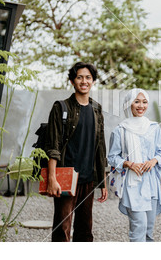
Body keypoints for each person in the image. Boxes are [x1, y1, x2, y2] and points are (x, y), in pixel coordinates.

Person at [45, 62, 107, 242]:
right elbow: (53, 145)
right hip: (66, 178)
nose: (84, 81)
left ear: (93, 81)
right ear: (72, 81)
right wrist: (52, 178)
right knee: (62, 230)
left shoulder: (96, 109)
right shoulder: (61, 107)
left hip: (88, 179)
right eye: (79, 77)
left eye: (88, 77)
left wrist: (102, 182)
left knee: (85, 231)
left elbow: (100, 146)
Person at [107, 88, 161, 242]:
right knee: (138, 226)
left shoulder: (153, 128)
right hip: (132, 184)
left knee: (149, 230)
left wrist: (153, 161)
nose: (141, 105)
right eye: (137, 101)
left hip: (151, 183)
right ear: (129, 104)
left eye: (145, 102)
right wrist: (128, 163)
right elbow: (112, 157)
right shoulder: (120, 130)